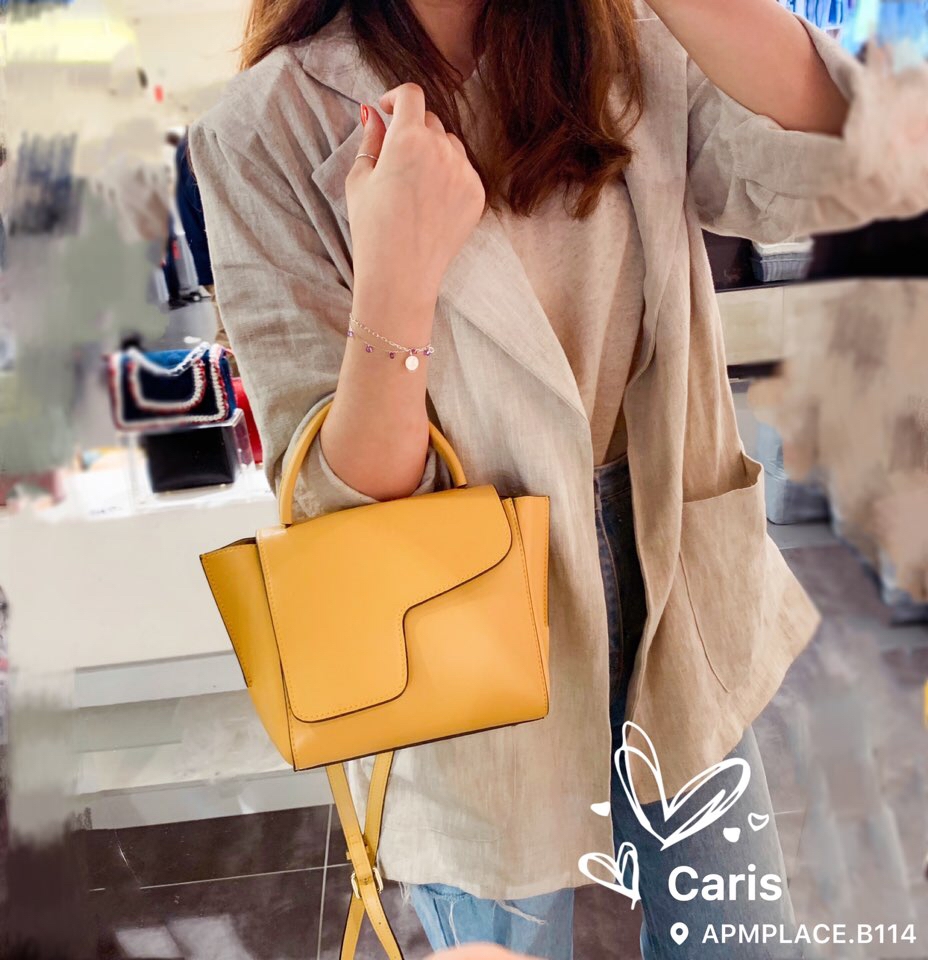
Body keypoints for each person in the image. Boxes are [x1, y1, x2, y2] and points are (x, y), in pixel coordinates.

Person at [187, 1, 928, 957]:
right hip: (464, 618)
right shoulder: (265, 127)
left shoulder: (633, 38)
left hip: (669, 581)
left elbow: (856, 153)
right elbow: (339, 502)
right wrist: (398, 280)